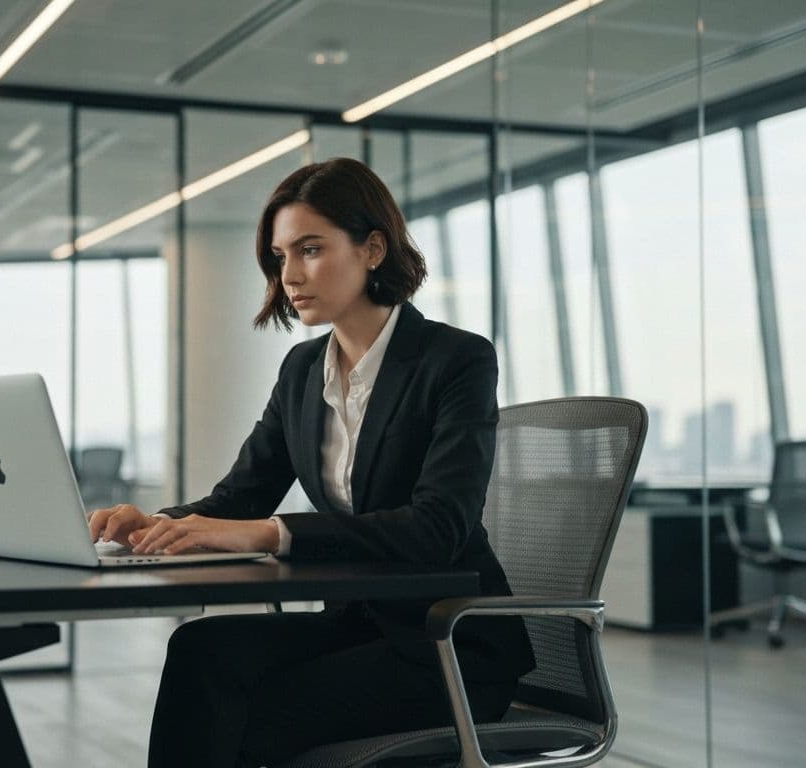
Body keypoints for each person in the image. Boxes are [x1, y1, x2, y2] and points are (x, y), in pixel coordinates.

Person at [87, 157, 535, 768]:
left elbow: (440, 527)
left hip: (449, 646)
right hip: (358, 626)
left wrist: (274, 533)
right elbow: (238, 502)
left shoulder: (454, 360)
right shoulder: (302, 372)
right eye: (279, 257)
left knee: (253, 712)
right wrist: (155, 524)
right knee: (201, 650)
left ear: (373, 248)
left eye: (310, 250)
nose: (289, 275)